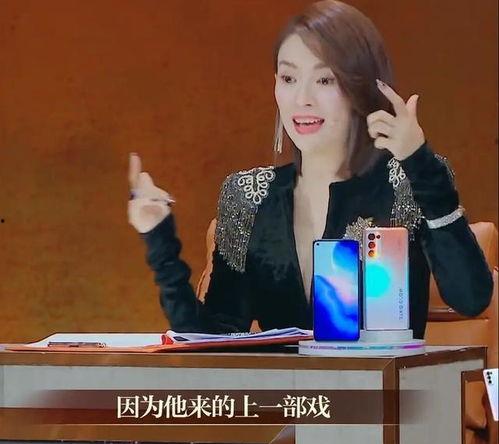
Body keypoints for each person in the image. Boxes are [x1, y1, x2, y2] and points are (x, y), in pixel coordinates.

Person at [128, 0, 493, 339]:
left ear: (361, 87)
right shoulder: (249, 196)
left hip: (384, 386)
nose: (302, 99)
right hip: (286, 389)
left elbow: (471, 298)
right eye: (288, 79)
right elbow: (214, 338)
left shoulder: (408, 182)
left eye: (324, 80)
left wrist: (420, 164)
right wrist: (160, 241)